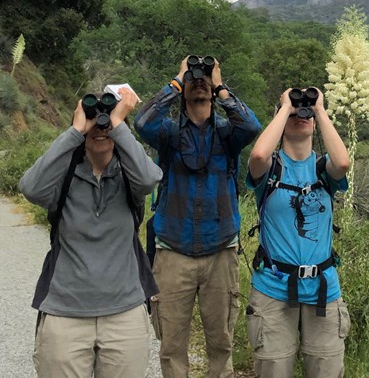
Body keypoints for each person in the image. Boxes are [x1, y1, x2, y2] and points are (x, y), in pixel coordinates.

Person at [19, 87, 162, 378]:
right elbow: (30, 188)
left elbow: (150, 180)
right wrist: (75, 130)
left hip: (125, 311)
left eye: (108, 118)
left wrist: (119, 124)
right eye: (94, 118)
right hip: (64, 311)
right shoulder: (65, 175)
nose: (101, 125)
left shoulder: (129, 176)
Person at [134, 55, 261, 378]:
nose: (199, 80)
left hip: (220, 250)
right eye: (194, 76)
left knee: (221, 342)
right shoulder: (167, 133)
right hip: (172, 250)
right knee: (172, 346)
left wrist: (220, 85)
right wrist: (178, 80)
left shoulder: (227, 134)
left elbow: (252, 126)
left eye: (204, 76)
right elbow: (141, 123)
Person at [245, 87, 351, 378]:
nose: (299, 116)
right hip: (273, 287)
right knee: (274, 369)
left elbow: (342, 162)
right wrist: (285, 107)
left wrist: (319, 109)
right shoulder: (271, 169)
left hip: (323, 289)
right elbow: (258, 154)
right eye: (293, 113)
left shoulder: (323, 168)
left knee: (326, 370)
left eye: (305, 114)